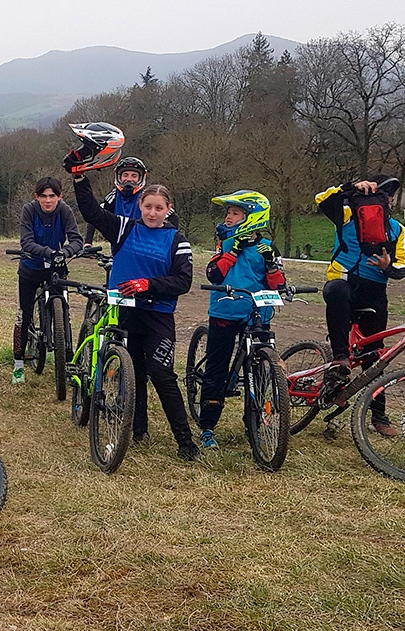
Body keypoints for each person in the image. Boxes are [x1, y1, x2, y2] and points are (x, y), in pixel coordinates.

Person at [75, 181, 197, 459]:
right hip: (125, 312)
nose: (152, 213)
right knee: (134, 374)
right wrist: (80, 178)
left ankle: (185, 441)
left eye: (159, 208)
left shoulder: (177, 240)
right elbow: (91, 211)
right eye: (147, 207)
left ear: (168, 210)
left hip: (158, 315)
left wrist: (147, 284)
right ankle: (138, 430)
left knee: (162, 374)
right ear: (140, 207)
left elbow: (183, 281)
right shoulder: (125, 228)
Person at [315, 177, 405, 436]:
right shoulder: (346, 215)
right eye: (382, 194)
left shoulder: (396, 230)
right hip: (343, 281)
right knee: (336, 291)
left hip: (374, 292)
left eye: (389, 197)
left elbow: (403, 267)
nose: (386, 200)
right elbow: (321, 199)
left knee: (374, 357)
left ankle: (379, 416)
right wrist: (349, 187)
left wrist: (387, 267)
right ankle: (339, 359)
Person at [199, 191, 286, 449]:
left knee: (259, 371)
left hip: (257, 315)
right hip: (225, 311)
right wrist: (233, 251)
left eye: (235, 213)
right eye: (228, 212)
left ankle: (255, 423)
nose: (228, 217)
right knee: (216, 368)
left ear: (252, 217)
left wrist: (271, 265)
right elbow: (214, 275)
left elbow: (278, 285)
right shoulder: (224, 243)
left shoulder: (267, 247)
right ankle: (207, 427)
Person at [14, 176, 83, 385]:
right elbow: (26, 241)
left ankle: (68, 361)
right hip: (30, 268)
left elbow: (77, 240)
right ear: (37, 197)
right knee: (23, 316)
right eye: (43, 196)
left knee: (63, 316)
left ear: (59, 196)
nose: (48, 200)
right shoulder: (29, 210)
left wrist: (64, 252)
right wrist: (49, 252)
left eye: (52, 196)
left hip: (56, 268)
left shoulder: (65, 211)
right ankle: (18, 363)